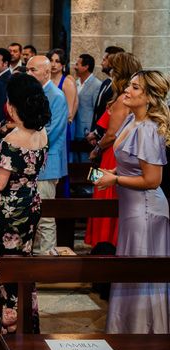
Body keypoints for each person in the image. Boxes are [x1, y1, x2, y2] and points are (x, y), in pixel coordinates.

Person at [94, 71, 170, 333]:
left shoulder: (148, 130)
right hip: (131, 208)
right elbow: (130, 168)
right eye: (129, 85)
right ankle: (124, 331)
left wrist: (115, 180)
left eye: (135, 88)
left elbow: (152, 180)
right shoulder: (130, 120)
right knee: (129, 265)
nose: (127, 90)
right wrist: (113, 175)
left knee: (140, 270)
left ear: (149, 96)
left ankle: (144, 335)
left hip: (147, 210)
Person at [0, 74, 50, 343]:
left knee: (4, 262)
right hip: (31, 201)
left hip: (10, 207)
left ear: (12, 106)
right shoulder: (41, 132)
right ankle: (24, 320)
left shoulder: (12, 140)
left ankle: (0, 325)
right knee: (23, 260)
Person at [85, 52, 142, 248]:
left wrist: (96, 149)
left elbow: (112, 134)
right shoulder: (122, 96)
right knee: (100, 191)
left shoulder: (121, 100)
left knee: (103, 194)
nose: (109, 69)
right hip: (111, 154)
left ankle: (105, 243)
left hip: (110, 156)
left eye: (113, 67)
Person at [27, 55, 68, 255]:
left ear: (47, 71)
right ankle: (35, 256)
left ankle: (47, 260)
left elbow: (52, 132)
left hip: (47, 162)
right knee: (33, 213)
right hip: (32, 161)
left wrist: (25, 139)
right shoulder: (34, 93)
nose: (29, 74)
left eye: (33, 70)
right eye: (27, 69)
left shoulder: (57, 96)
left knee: (45, 216)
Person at [72, 54, 102, 163]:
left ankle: (92, 181)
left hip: (88, 131)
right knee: (75, 163)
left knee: (88, 162)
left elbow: (97, 110)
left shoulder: (97, 85)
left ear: (86, 67)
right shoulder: (75, 84)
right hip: (75, 129)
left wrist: (94, 132)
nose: (75, 67)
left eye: (77, 64)